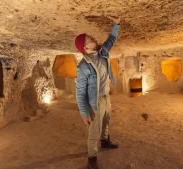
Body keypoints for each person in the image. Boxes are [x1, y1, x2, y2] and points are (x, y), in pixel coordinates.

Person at [75, 15, 121, 169]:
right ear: (85, 48)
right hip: (94, 102)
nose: (93, 38)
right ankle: (92, 159)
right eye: (89, 39)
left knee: (107, 120)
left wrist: (116, 24)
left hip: (106, 96)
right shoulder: (83, 67)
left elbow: (111, 40)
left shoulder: (102, 53)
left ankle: (106, 141)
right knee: (94, 131)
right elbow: (80, 92)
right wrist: (84, 113)